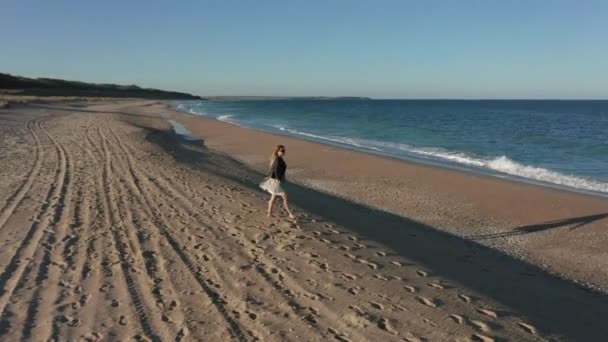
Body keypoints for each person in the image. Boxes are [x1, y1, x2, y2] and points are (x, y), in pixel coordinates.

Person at [259, 145, 296, 219]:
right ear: (278, 151)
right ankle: (290, 214)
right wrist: (278, 179)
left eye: (284, 151)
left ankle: (269, 213)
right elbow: (275, 170)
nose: (283, 152)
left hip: (279, 180)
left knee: (273, 197)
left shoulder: (278, 158)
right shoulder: (278, 159)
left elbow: (275, 169)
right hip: (279, 181)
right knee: (285, 197)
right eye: (282, 151)